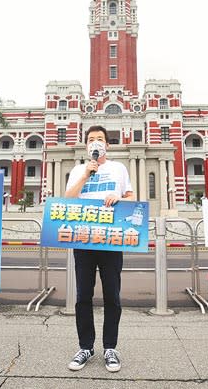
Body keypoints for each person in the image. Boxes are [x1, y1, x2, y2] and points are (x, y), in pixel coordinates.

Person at [64, 126, 134, 373]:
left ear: (108, 145)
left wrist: (119, 198)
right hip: (84, 239)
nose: (96, 143)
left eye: (100, 139)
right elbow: (68, 199)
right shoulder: (77, 170)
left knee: (112, 296)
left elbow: (131, 197)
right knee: (83, 295)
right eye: (91, 140)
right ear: (86, 146)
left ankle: (110, 348)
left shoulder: (118, 168)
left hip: (111, 239)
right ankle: (85, 346)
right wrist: (85, 175)